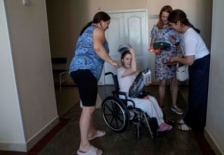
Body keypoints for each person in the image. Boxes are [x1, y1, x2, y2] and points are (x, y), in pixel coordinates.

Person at [69, 11, 119, 155]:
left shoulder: (86, 31)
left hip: (80, 71)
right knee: (88, 109)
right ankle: (84, 146)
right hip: (85, 71)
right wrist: (111, 61)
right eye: (107, 23)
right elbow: (97, 48)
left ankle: (91, 132)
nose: (108, 26)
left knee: (88, 104)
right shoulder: (97, 30)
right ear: (101, 21)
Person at [167, 9, 210, 132]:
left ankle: (194, 124)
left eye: (172, 25)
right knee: (193, 95)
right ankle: (189, 119)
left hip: (201, 64)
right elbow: (185, 52)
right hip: (197, 64)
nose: (172, 28)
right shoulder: (184, 33)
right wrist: (178, 58)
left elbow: (189, 61)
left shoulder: (189, 36)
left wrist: (176, 58)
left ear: (179, 23)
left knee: (197, 96)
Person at [117, 46, 173, 132]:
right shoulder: (120, 70)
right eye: (127, 59)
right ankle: (158, 125)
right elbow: (133, 69)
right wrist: (133, 54)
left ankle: (162, 121)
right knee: (147, 103)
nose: (129, 61)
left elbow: (143, 79)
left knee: (153, 99)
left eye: (131, 59)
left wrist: (147, 81)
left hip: (136, 95)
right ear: (122, 60)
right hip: (127, 98)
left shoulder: (134, 71)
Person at [149, 5, 183, 115]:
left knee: (174, 82)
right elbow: (151, 46)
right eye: (163, 16)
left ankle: (173, 105)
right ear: (160, 16)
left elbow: (179, 45)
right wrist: (155, 48)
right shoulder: (155, 28)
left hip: (173, 59)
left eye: (167, 17)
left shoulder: (174, 27)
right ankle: (161, 106)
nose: (165, 19)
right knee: (162, 83)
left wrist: (174, 42)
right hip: (160, 60)